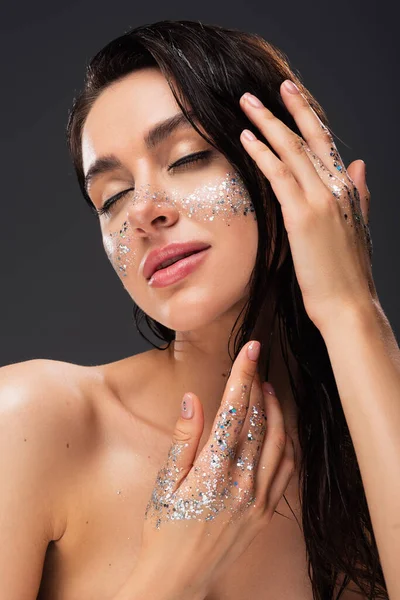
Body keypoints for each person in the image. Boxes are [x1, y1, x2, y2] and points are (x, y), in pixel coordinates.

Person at [0, 18, 393, 600]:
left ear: (297, 170)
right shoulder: (28, 422)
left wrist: (351, 307)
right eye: (111, 197)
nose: (141, 212)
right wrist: (172, 572)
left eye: (186, 158)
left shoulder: (376, 446)